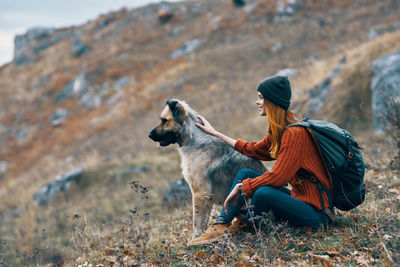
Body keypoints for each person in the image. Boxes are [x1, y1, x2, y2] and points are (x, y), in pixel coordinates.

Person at [189, 75, 333, 246]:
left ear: (272, 101)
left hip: (317, 214)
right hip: (300, 200)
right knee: (245, 173)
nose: (257, 102)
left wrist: (243, 187)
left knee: (263, 192)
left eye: (261, 97)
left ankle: (244, 226)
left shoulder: (295, 134)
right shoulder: (280, 129)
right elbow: (253, 150)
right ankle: (221, 225)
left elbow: (279, 178)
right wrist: (216, 133)